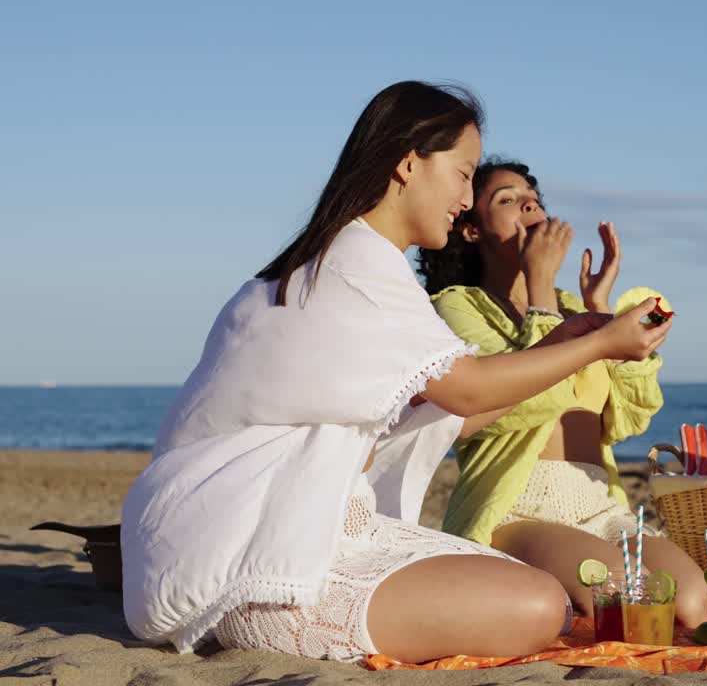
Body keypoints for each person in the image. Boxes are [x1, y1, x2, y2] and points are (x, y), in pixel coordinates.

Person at [120, 82, 672, 665]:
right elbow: (467, 389)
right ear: (409, 164)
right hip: (249, 546)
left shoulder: (346, 257)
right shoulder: (356, 264)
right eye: (462, 174)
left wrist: (563, 339)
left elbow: (451, 415)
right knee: (536, 605)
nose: (465, 197)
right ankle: (256, 621)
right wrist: (598, 345)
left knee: (540, 596)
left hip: (292, 520)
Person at [417, 159, 707, 627]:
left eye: (533, 197)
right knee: (620, 593)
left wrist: (599, 307)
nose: (528, 204)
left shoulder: (574, 308)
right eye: (507, 199)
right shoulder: (456, 307)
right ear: (471, 229)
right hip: (516, 508)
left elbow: (629, 419)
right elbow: (526, 400)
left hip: (599, 503)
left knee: (692, 602)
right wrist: (540, 288)